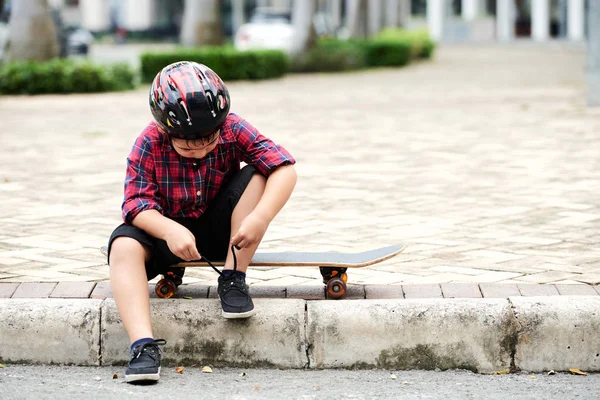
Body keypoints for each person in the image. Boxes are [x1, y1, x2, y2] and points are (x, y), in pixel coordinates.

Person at [106, 61, 297, 383]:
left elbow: (284, 168)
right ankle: (143, 346)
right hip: (165, 232)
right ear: (167, 131)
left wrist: (260, 218)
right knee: (123, 246)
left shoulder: (234, 127)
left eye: (209, 142)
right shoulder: (149, 141)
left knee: (258, 175)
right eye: (186, 146)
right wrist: (169, 229)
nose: (200, 151)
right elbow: (135, 204)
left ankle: (233, 278)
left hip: (220, 233)